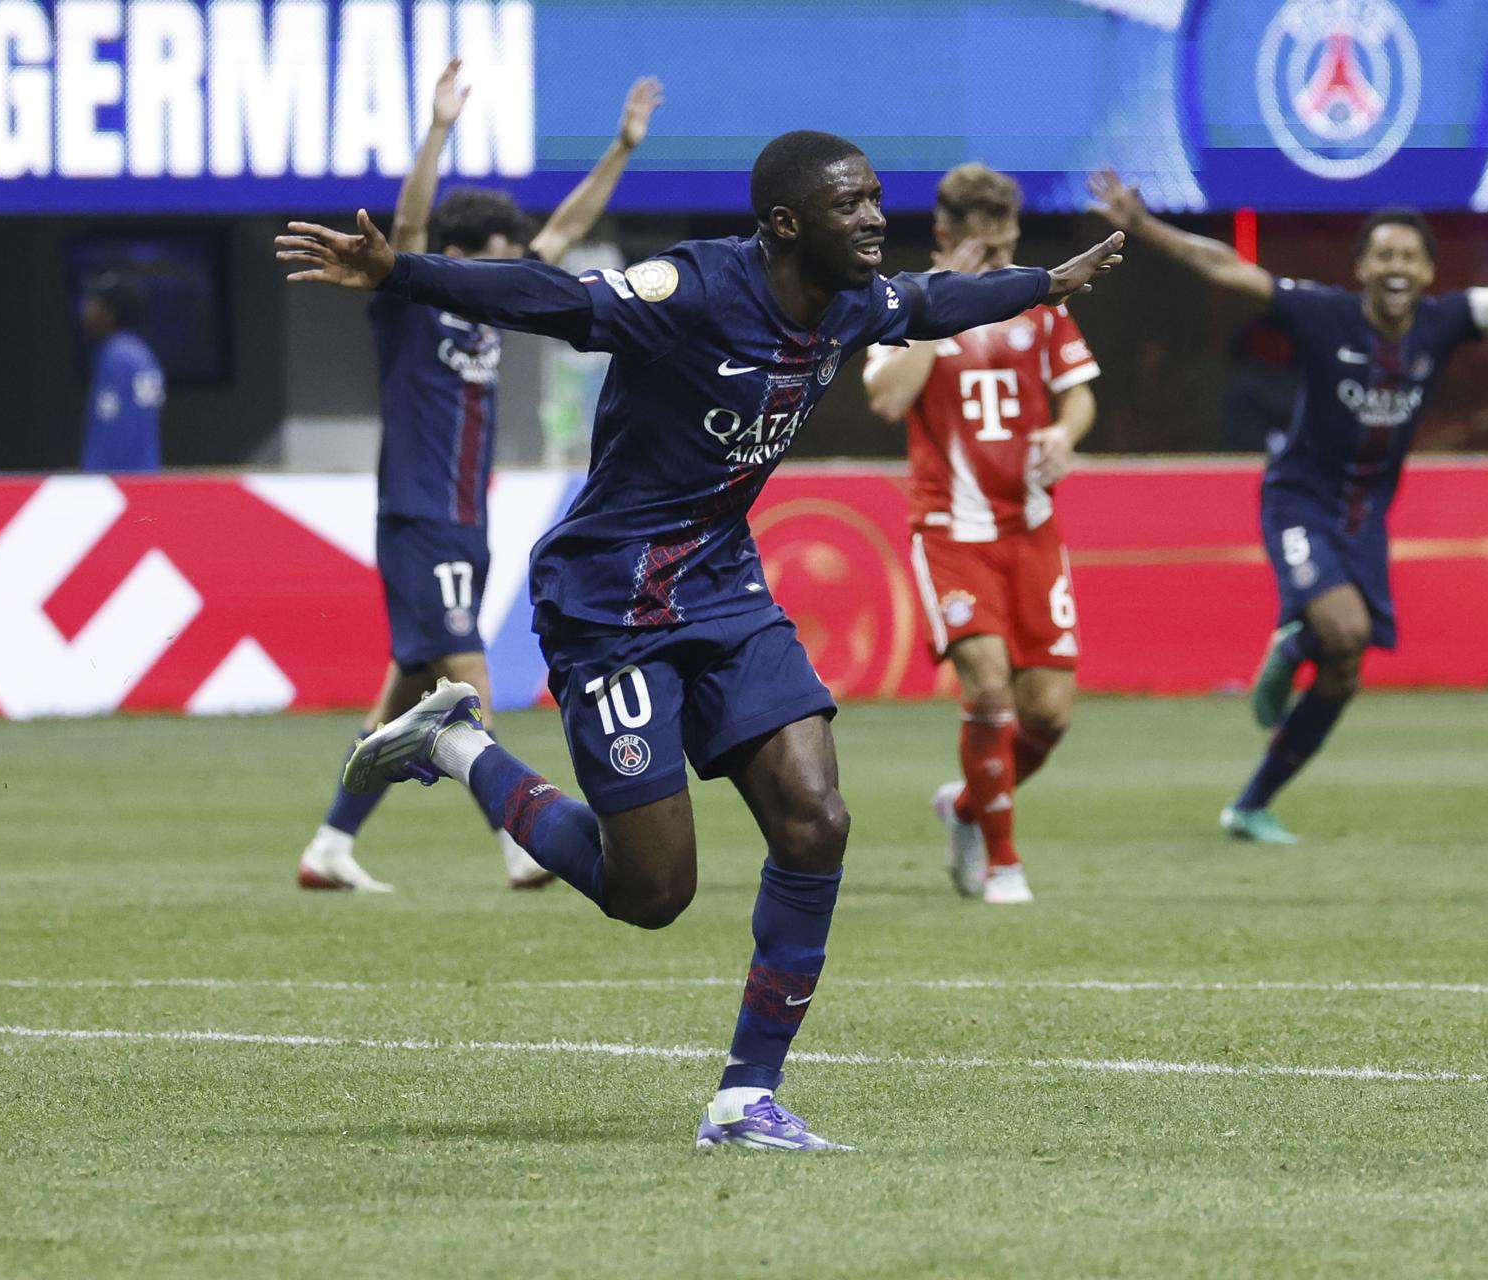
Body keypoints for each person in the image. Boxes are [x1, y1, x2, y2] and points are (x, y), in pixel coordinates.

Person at [277, 131, 1124, 1149]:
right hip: (608, 601)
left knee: (816, 819)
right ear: (785, 224)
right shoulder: (691, 287)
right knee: (652, 889)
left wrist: (1045, 283)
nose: (873, 219)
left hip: (723, 586)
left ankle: (744, 1097)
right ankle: (455, 742)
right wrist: (400, 272)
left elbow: (933, 301)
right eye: (851, 204)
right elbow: (560, 301)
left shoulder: (855, 300)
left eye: (874, 199)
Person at [1088, 168, 1488, 844]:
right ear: (1360, 267)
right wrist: (1144, 224)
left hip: (1363, 520)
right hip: (1297, 500)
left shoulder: (1446, 323)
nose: (1396, 267)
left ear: (1428, 272)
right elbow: (1228, 271)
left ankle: (1250, 804)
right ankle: (1294, 639)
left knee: (1346, 670)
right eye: (1383, 255)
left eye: (1409, 257)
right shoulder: (1321, 312)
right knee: (1343, 630)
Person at [295, 61, 663, 893]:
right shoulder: (409, 299)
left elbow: (560, 237)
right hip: (421, 514)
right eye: (492, 260)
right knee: (469, 680)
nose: (509, 275)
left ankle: (329, 845)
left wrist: (621, 149)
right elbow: (409, 225)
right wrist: (438, 130)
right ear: (459, 257)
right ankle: (520, 840)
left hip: (465, 518)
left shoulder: (493, 310)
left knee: (404, 700)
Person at [862, 164, 1100, 905]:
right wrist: (938, 309)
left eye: (1009, 250)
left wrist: (1064, 433)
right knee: (989, 689)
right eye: (985, 255)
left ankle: (965, 805)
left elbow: (1080, 397)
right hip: (951, 531)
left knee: (1048, 715)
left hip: (1031, 528)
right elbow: (886, 398)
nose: (1002, 268)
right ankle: (1001, 861)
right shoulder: (903, 303)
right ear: (945, 238)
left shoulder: (1042, 304)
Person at [78, 274, 166, 472]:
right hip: (144, 474)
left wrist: (91, 481)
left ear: (109, 313)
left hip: (117, 479)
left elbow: (111, 430)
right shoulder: (143, 354)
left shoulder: (116, 356)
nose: (85, 311)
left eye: (93, 304)